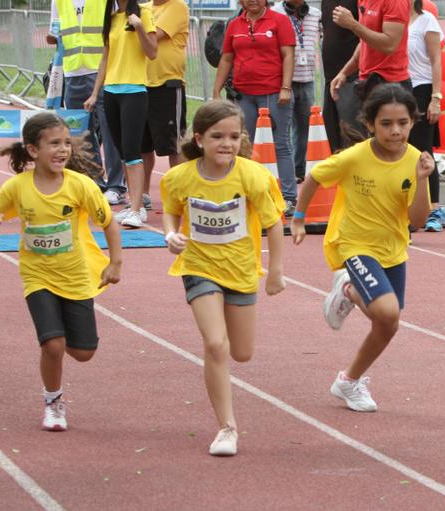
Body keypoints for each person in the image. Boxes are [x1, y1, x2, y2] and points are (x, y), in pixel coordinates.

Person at [291, 83, 434, 412]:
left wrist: (424, 179)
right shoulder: (355, 157)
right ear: (371, 124)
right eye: (386, 124)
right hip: (353, 243)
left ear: (413, 122)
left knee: (388, 323)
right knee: (387, 311)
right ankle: (348, 284)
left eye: (402, 123)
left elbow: (418, 221)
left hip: (393, 248)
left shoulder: (417, 162)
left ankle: (348, 381)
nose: (395, 131)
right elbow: (314, 178)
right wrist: (298, 218)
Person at [0, 112, 123, 432]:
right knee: (53, 345)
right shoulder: (18, 187)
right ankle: (53, 400)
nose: (62, 150)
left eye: (66, 144)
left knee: (84, 352)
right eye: (53, 144)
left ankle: (66, 341)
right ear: (33, 150)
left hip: (74, 277)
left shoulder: (81, 186)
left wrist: (115, 263)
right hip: (37, 275)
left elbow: (109, 222)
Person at [160, 100, 286, 456]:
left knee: (242, 353)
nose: (226, 144)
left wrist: (275, 270)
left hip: (241, 270)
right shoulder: (180, 178)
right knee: (216, 344)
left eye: (233, 136)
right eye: (217, 136)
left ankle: (221, 358)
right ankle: (227, 427)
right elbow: (170, 213)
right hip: (199, 267)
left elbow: (274, 224)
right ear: (199, 139)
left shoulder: (252, 176)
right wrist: (170, 235)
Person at [212, 0, 299, 216]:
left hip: (273, 93)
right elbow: (226, 59)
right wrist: (216, 91)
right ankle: (244, 193)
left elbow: (288, 55)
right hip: (244, 95)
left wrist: (285, 87)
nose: (252, 0)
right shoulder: (234, 24)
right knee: (243, 145)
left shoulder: (279, 21)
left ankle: (288, 197)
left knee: (280, 144)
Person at [84, 0, 157, 229]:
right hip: (111, 92)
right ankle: (135, 206)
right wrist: (95, 93)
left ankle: (136, 209)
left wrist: (139, 27)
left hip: (134, 91)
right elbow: (106, 58)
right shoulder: (113, 18)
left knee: (133, 152)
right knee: (124, 153)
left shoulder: (143, 14)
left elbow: (152, 52)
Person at [47, 0, 127, 206]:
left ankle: (116, 185)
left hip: (101, 69)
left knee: (110, 130)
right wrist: (53, 37)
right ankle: (94, 180)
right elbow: (55, 31)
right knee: (81, 132)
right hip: (73, 70)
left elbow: (117, 23)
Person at [329, 0, 412, 129]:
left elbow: (390, 44)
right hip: (367, 83)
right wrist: (344, 72)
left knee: (389, 141)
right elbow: (364, 42)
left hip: (391, 85)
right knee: (366, 140)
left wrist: (353, 25)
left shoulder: (396, 2)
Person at [140, 0, 189, 210]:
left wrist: (135, 24)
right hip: (140, 83)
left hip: (167, 85)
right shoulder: (144, 8)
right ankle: (141, 195)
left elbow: (154, 35)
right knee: (142, 147)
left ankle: (179, 194)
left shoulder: (177, 6)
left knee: (173, 144)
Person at [273, 0, 321, 183]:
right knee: (283, 130)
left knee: (304, 129)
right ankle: (286, 172)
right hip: (284, 81)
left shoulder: (316, 14)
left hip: (307, 79)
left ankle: (299, 170)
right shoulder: (276, 13)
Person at [406, 0, 445, 231]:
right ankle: (410, 208)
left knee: (423, 150)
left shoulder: (426, 20)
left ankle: (435, 209)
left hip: (422, 89)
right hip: (400, 88)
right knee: (402, 150)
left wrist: (436, 97)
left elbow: (436, 60)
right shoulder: (395, 21)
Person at [320, 0, 359, 152]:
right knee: (333, 138)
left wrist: (352, 24)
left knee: (352, 136)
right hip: (330, 78)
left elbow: (369, 34)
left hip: (351, 78)